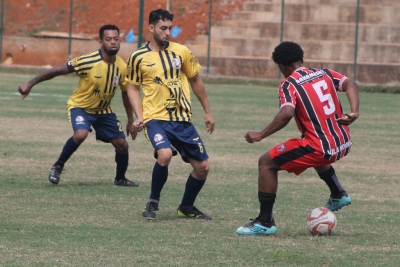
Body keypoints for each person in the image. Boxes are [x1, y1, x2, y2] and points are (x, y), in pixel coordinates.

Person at [236, 41, 359, 235]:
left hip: (320, 148)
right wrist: (354, 112)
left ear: (282, 66)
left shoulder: (288, 84)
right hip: (343, 142)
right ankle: (337, 193)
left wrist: (260, 134)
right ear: (301, 59)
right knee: (308, 141)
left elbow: (286, 113)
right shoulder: (324, 73)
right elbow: (350, 83)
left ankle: (265, 222)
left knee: (266, 163)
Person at [18, 24, 140, 187]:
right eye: (108, 39)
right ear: (101, 42)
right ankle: (58, 165)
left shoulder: (122, 67)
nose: (113, 42)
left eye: (116, 39)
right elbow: (57, 70)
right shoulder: (88, 61)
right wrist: (30, 83)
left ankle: (120, 178)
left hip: (103, 111)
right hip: (80, 107)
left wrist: (130, 120)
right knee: (81, 134)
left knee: (122, 145)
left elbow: (126, 92)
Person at [125, 9, 215, 220]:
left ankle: (186, 207)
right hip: (155, 119)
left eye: (170, 28)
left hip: (182, 120)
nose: (167, 33)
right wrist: (139, 116)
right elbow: (132, 88)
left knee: (203, 167)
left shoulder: (182, 52)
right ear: (151, 28)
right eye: (163, 28)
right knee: (164, 154)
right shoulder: (138, 57)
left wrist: (208, 112)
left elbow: (195, 80)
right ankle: (152, 201)